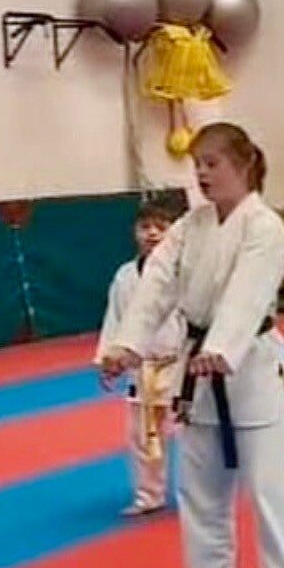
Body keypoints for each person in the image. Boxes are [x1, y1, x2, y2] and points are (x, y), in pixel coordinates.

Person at [98, 122, 284, 568]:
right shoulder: (190, 226)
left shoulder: (265, 227)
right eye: (197, 165)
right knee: (200, 490)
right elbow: (155, 287)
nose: (202, 174)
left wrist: (220, 348)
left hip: (251, 366)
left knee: (268, 492)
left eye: (212, 163)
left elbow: (249, 292)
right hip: (195, 369)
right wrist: (125, 346)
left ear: (243, 164)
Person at [95, 199, 186, 517]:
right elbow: (116, 319)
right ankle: (149, 494)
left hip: (181, 365)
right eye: (145, 227)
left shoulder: (186, 271)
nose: (152, 233)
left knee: (193, 436)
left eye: (161, 227)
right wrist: (110, 359)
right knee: (141, 436)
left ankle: (199, 495)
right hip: (143, 367)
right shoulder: (125, 276)